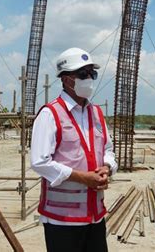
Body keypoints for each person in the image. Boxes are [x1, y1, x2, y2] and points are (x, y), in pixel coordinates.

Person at [30, 47, 117, 252]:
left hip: (95, 216)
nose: (89, 79)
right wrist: (82, 177)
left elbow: (108, 149)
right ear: (66, 79)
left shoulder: (96, 113)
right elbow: (40, 162)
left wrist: (107, 167)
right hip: (63, 221)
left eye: (91, 74)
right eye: (83, 74)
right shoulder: (50, 114)